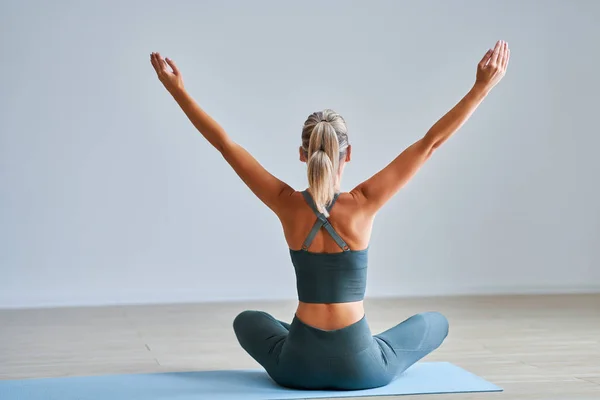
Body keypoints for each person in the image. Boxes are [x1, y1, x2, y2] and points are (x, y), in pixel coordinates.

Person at [149, 40, 510, 390]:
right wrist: (481, 87)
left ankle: (316, 342)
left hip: (296, 368)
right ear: (346, 155)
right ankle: (370, 346)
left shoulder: (284, 202)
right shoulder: (364, 202)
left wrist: (178, 91)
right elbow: (429, 144)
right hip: (361, 367)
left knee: (248, 321)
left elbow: (225, 145)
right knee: (435, 323)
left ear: (302, 154)